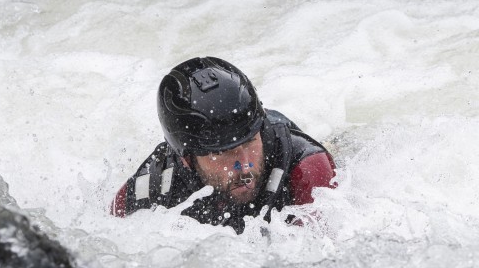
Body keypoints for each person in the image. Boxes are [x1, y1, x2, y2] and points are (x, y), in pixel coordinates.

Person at [111, 56, 336, 234]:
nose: (244, 166)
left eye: (250, 142)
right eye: (222, 153)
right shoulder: (157, 181)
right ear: (187, 159)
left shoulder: (306, 166)